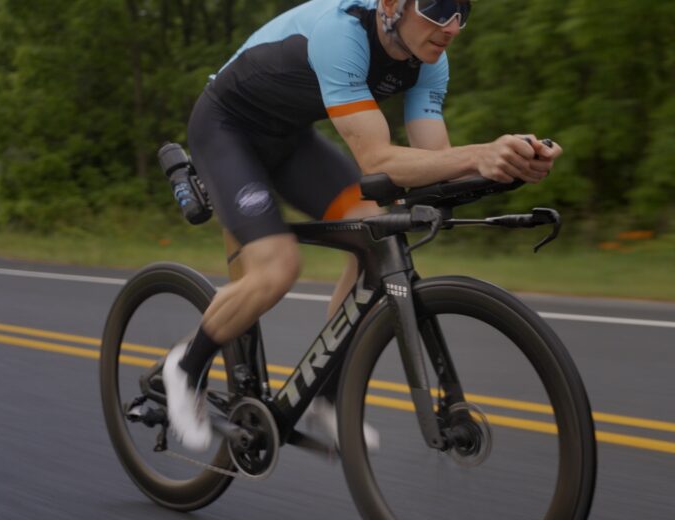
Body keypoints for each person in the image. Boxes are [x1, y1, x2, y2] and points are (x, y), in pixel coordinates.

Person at [163, 0, 564, 451]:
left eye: (461, 11)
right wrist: (478, 154)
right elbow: (376, 160)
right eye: (437, 7)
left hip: (292, 142)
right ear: (392, 5)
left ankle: (324, 399)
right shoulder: (343, 34)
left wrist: (508, 165)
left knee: (376, 235)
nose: (451, 26)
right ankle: (185, 368)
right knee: (276, 268)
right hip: (226, 131)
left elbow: (437, 163)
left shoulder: (429, 59)